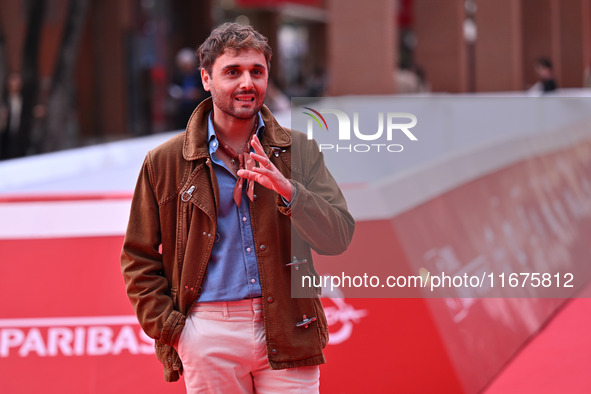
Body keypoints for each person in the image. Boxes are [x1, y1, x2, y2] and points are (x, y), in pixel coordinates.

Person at [120, 22, 355, 393]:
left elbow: (339, 235)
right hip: (209, 333)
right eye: (233, 71)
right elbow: (138, 257)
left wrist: (289, 191)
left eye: (256, 72)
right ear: (206, 79)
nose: (247, 82)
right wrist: (177, 332)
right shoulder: (164, 162)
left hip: (290, 325)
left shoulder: (299, 151)